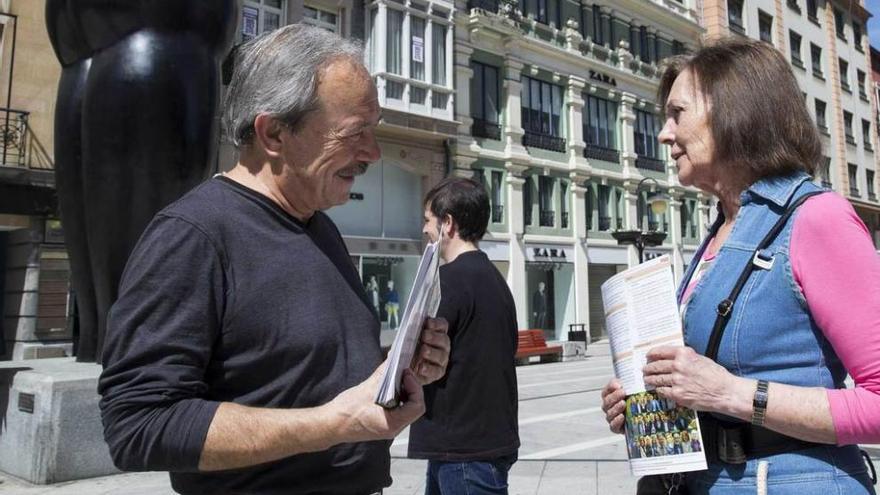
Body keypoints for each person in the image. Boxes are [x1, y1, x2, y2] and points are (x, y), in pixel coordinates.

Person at [98, 25, 451, 495]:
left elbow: (297, 376)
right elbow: (139, 423)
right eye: (354, 134)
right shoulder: (192, 236)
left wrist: (398, 370)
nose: (372, 153)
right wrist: (332, 423)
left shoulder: (320, 227)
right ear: (273, 133)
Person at [601, 38, 879, 493]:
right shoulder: (724, 228)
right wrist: (646, 398)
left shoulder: (816, 217)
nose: (664, 134)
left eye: (678, 114)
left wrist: (728, 393)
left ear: (734, 111)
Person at [408, 178, 520, 495]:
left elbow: (419, 356)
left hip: (463, 448)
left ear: (448, 223)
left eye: (428, 220)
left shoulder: (448, 280)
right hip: (484, 442)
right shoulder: (496, 281)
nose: (424, 230)